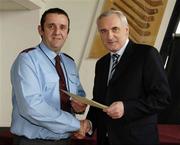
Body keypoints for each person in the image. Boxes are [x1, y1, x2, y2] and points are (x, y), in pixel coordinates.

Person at [74, 10, 171, 145]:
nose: (109, 36)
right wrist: (89, 124)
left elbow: (162, 98)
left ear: (126, 30)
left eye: (115, 29)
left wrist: (126, 107)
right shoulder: (101, 64)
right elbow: (99, 101)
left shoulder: (146, 54)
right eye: (103, 31)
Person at [10, 8, 87, 145]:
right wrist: (75, 124)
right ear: (41, 30)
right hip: (33, 142)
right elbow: (32, 107)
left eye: (62, 27)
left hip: (65, 140)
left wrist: (79, 105)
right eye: (51, 26)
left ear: (67, 33)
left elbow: (78, 94)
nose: (57, 32)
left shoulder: (69, 63)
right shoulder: (27, 60)